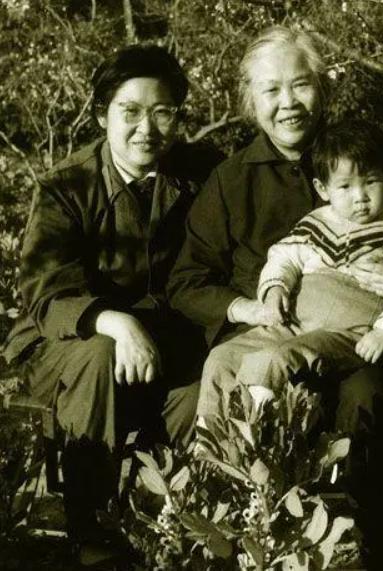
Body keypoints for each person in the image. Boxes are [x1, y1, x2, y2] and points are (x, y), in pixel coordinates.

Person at [167, 26, 383, 570]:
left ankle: (379, 552)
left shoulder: (356, 159)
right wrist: (250, 308)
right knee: (203, 402)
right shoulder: (229, 181)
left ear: (321, 89)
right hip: (265, 342)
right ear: (250, 100)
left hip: (354, 343)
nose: (288, 103)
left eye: (300, 85)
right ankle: (225, 542)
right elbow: (187, 282)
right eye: (271, 90)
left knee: (367, 398)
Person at [2, 45, 222, 564]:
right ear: (103, 115)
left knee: (203, 389)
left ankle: (161, 525)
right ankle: (93, 535)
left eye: (162, 112)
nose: (147, 129)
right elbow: (46, 289)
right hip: (67, 345)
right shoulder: (67, 185)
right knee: (100, 354)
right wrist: (115, 322)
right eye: (130, 111)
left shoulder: (199, 174)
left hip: (162, 343)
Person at [197, 119, 383, 410]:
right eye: (345, 186)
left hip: (346, 334)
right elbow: (284, 256)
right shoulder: (317, 222)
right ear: (323, 189)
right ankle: (210, 436)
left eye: (371, 182)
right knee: (222, 358)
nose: (360, 197)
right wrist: (275, 289)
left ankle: (257, 431)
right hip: (295, 325)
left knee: (274, 361)